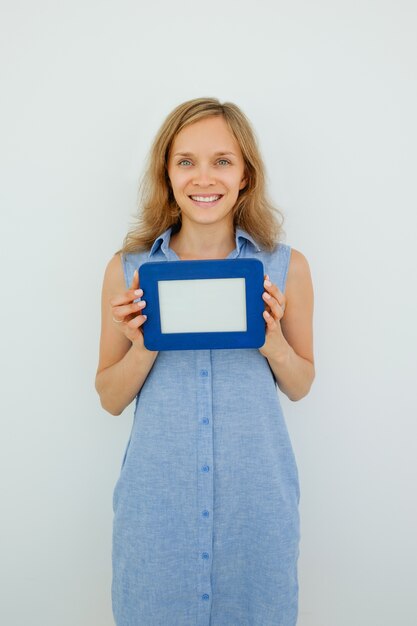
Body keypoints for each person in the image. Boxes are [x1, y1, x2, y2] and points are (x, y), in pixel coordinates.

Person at [95, 97, 315, 626]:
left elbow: (301, 383)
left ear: (245, 176)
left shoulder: (286, 268)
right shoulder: (128, 270)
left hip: (255, 511)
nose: (203, 177)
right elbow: (109, 397)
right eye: (186, 161)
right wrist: (145, 344)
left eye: (222, 160)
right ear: (167, 174)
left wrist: (272, 342)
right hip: (157, 513)